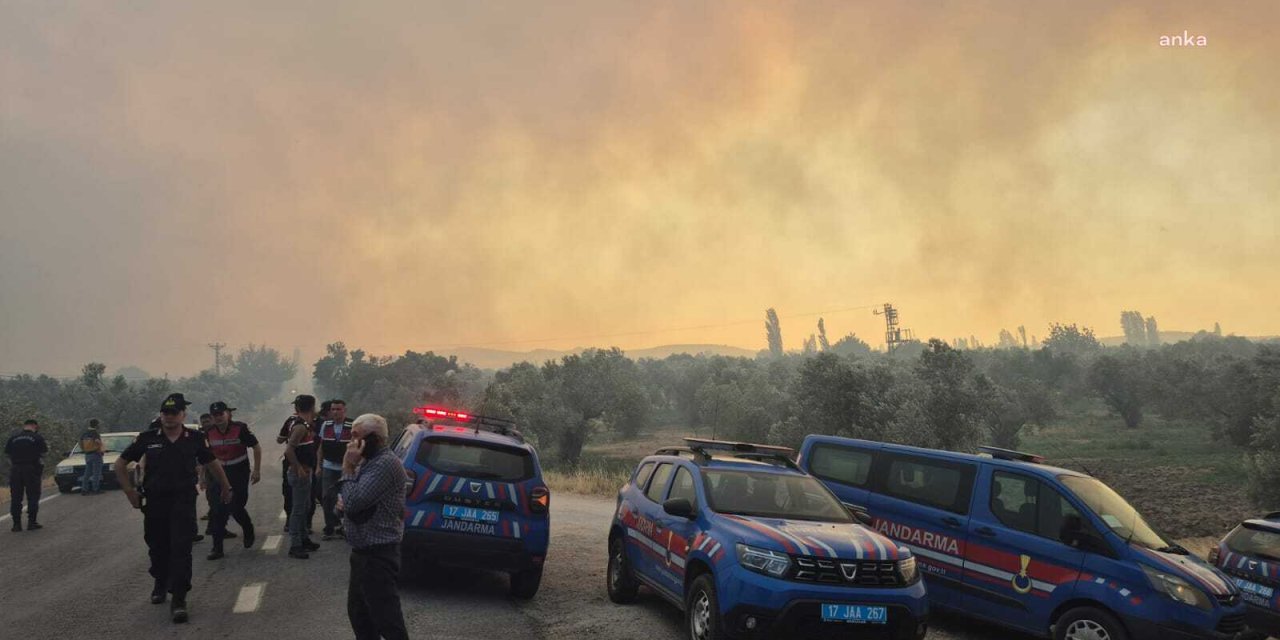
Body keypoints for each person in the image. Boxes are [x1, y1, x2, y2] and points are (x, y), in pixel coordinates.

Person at [116, 393, 231, 624]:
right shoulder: (147, 438)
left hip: (183, 501)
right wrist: (130, 492)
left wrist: (226, 486)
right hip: (155, 501)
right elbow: (120, 464)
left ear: (182, 415)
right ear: (161, 415)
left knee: (181, 548)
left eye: (174, 413)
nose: (169, 417)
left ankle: (179, 598)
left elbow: (211, 462)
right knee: (158, 546)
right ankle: (160, 581)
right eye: (165, 413)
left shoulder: (195, 438)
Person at [337, 413, 408, 640]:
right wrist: (344, 503)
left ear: (374, 439)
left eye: (356, 436)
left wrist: (347, 466)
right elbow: (345, 502)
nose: (351, 443)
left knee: (387, 620)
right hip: (362, 554)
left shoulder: (385, 464)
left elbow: (354, 501)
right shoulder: (366, 462)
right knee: (361, 617)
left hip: (378, 555)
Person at [204, 401, 261, 560]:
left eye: (221, 414)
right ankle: (217, 548)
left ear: (227, 414)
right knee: (217, 510)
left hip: (239, 471)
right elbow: (205, 455)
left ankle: (247, 528)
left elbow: (256, 447)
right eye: (215, 415)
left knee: (236, 505)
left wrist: (257, 470)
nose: (218, 418)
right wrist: (203, 477)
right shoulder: (208, 431)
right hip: (219, 472)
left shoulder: (240, 428)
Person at [283, 394, 321, 559]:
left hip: (306, 471)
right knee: (298, 510)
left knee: (305, 506)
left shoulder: (304, 424)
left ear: (297, 408)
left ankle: (304, 539)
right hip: (300, 473)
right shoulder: (300, 427)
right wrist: (298, 468)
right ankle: (295, 545)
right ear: (312, 407)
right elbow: (288, 450)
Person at [318, 399, 354, 540]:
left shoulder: (352, 425)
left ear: (344, 410)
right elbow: (321, 447)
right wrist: (318, 466)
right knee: (327, 497)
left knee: (346, 498)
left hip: (346, 469)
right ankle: (330, 527)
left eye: (338, 409)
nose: (335, 412)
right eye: (333, 409)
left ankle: (345, 527)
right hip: (328, 467)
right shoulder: (326, 425)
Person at [5, 419, 48, 532]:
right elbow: (43, 453)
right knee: (33, 496)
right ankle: (31, 522)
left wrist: (15, 464)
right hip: (31, 469)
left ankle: (16, 525)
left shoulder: (13, 438)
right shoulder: (37, 438)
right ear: (35, 426)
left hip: (16, 470)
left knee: (16, 498)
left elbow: (8, 455)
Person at [79, 418, 105, 495]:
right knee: (96, 473)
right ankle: (95, 489)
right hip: (96, 454)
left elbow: (80, 443)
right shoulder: (95, 433)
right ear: (96, 425)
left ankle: (84, 489)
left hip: (87, 455)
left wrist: (84, 450)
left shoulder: (85, 433)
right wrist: (101, 448)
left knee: (87, 473)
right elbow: (97, 441)